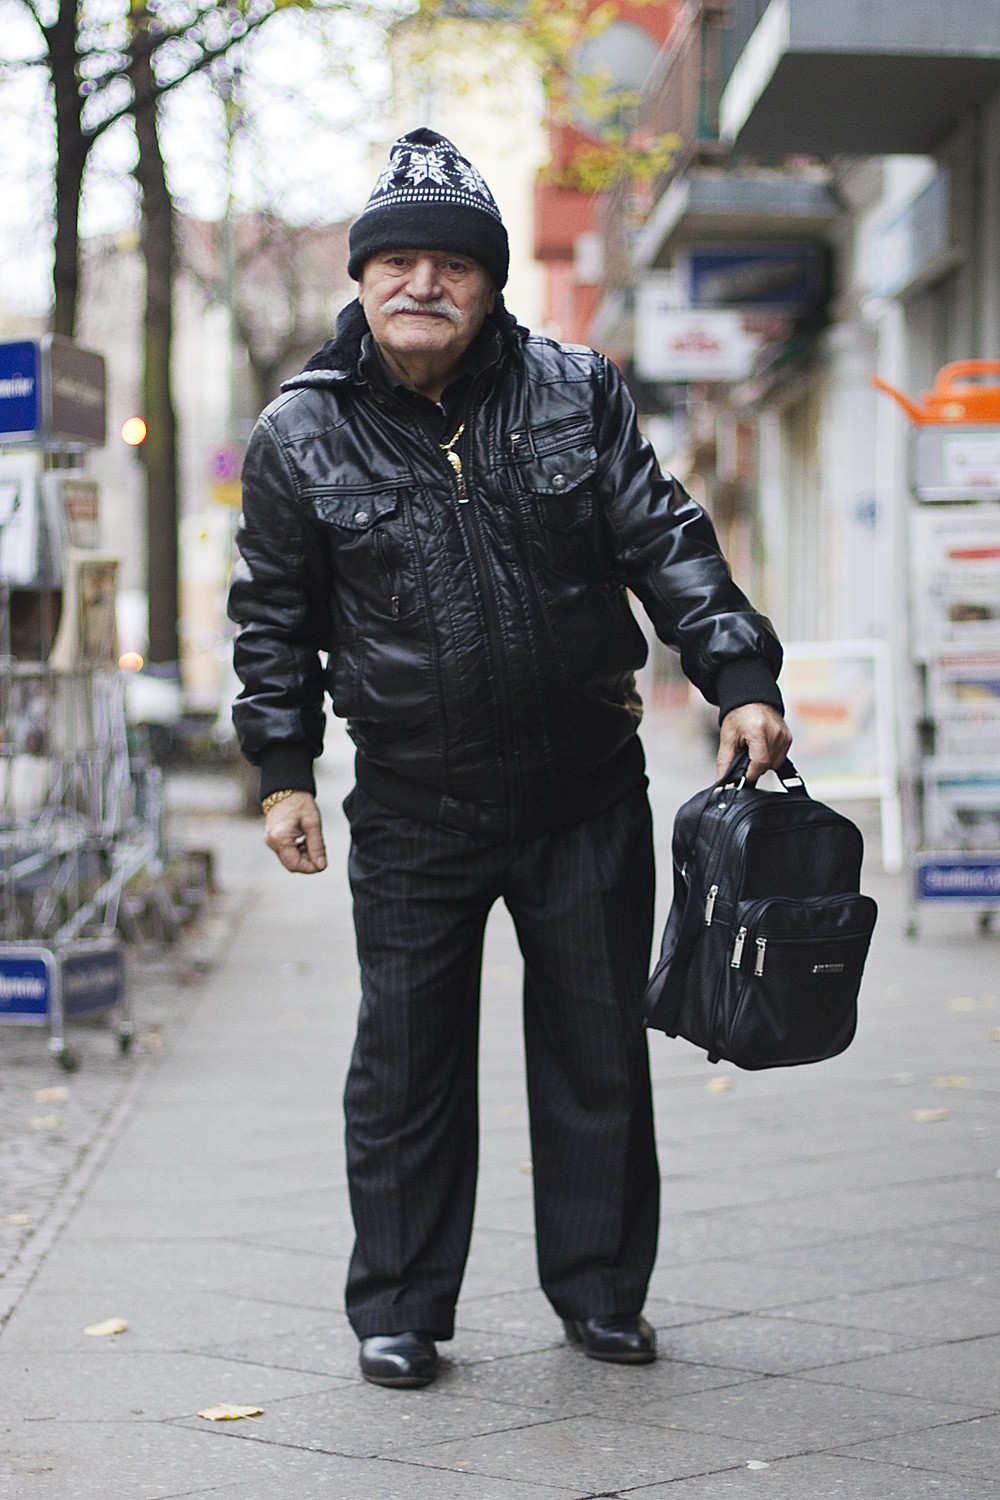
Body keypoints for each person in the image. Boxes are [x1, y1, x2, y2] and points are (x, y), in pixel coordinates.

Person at [228, 127, 792, 1390]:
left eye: (452, 264)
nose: (422, 283)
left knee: (598, 1053)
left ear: (488, 283)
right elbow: (271, 621)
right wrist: (283, 771)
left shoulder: (573, 389)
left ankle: (600, 1292)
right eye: (397, 262)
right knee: (406, 1066)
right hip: (412, 805)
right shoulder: (300, 432)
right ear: (363, 278)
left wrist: (740, 679)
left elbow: (667, 540)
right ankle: (399, 1308)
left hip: (584, 793)